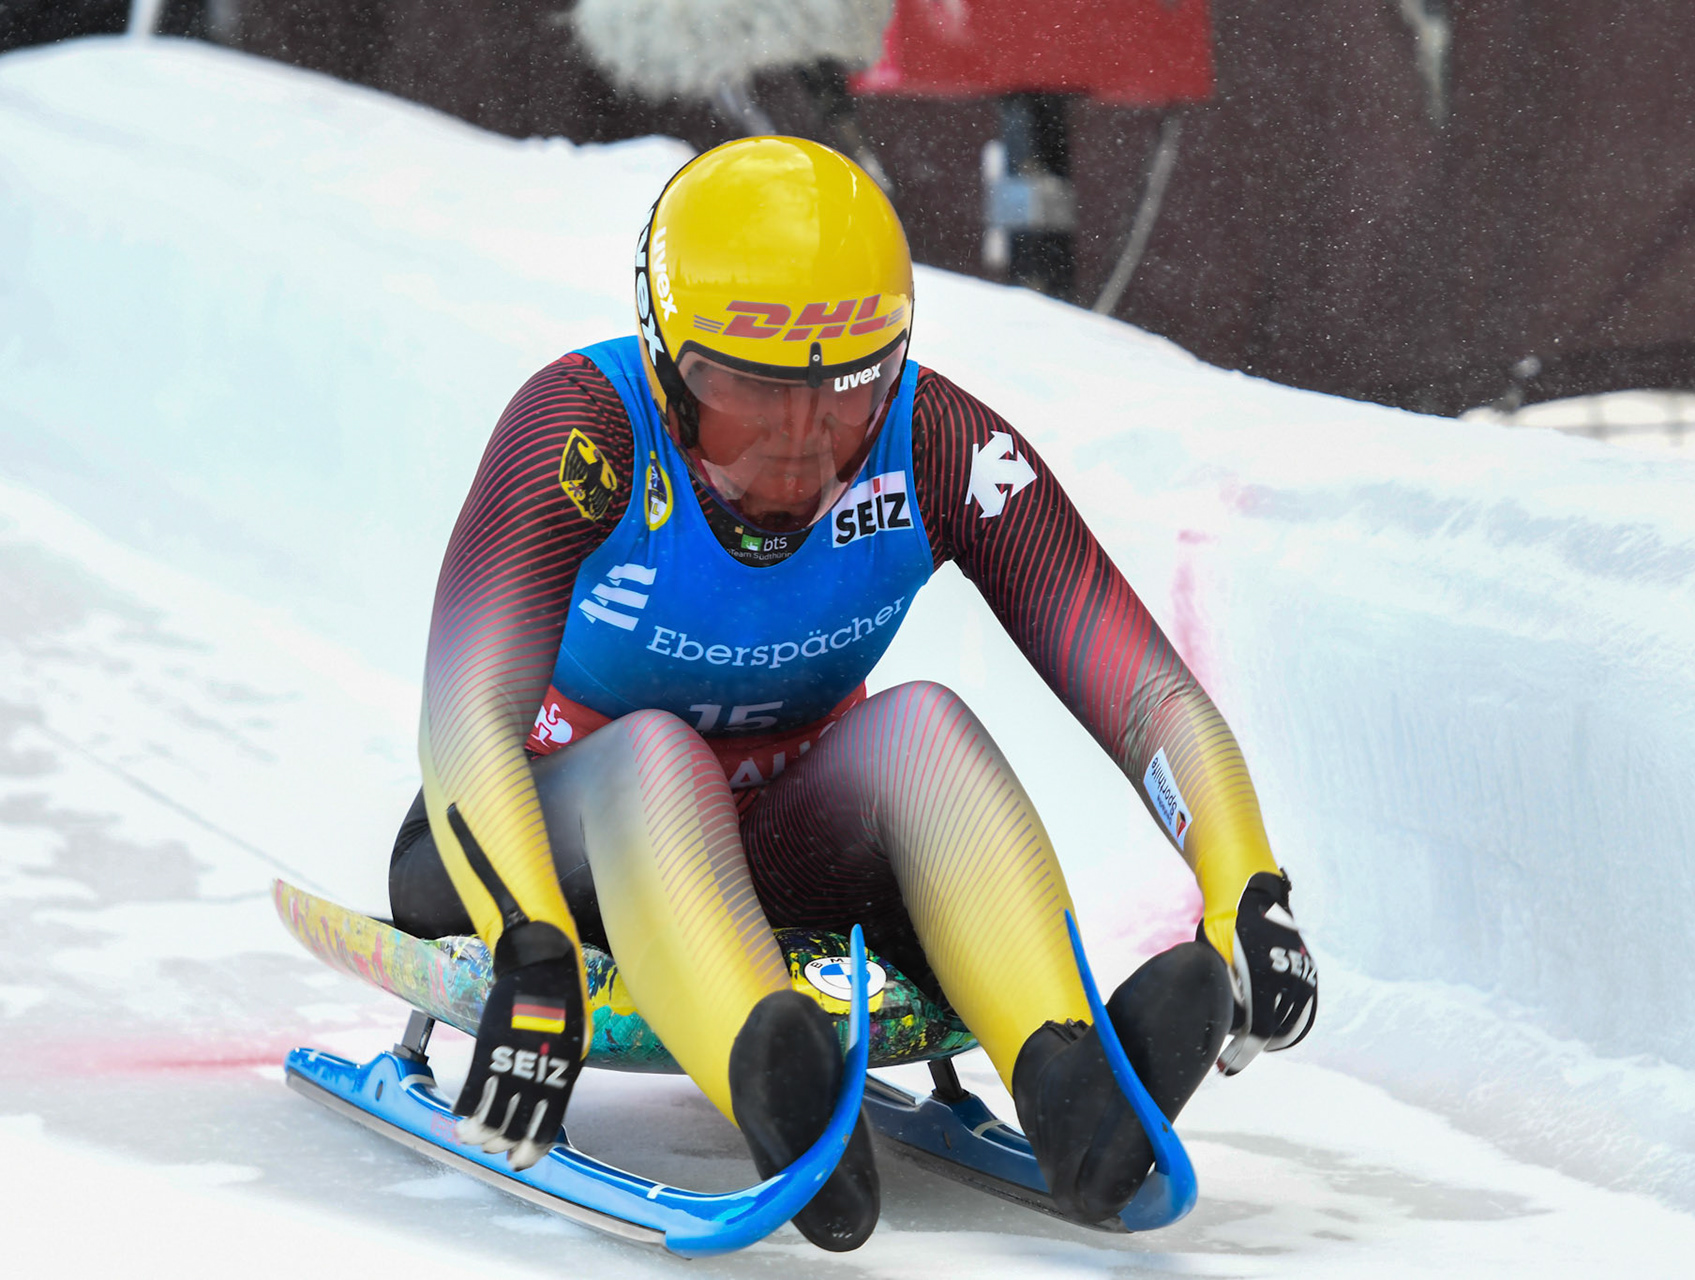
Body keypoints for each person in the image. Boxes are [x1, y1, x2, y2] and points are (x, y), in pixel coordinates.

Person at [387, 137, 1317, 1251]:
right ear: (665, 366)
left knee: (922, 724)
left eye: (843, 401)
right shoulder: (578, 431)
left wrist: (1248, 888)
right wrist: (530, 943)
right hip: (545, 833)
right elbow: (462, 717)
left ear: (897, 365)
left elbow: (1138, 684)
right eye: (745, 402)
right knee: (654, 753)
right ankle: (768, 1073)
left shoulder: (937, 441)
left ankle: (1070, 1079)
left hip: (773, 844)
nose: (794, 453)